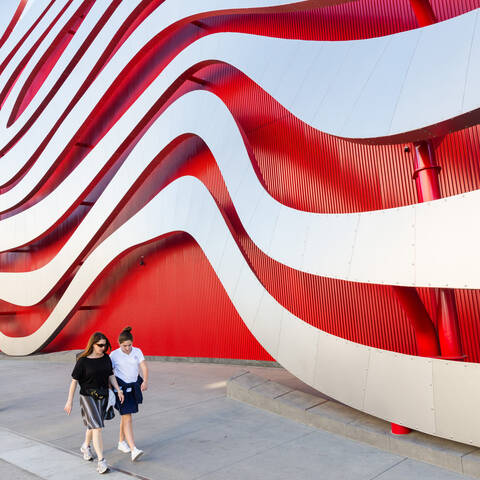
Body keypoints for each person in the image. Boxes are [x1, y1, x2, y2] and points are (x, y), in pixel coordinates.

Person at [64, 332, 124, 474]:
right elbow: (74, 382)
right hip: (87, 396)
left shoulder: (106, 358)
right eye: (100, 345)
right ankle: (101, 462)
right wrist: (69, 401)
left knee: (93, 425)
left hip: (102, 395)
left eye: (105, 345)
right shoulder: (83, 361)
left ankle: (85, 446)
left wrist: (118, 390)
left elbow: (111, 375)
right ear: (93, 344)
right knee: (97, 427)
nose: (103, 348)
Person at [110, 326, 148, 462]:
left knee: (125, 415)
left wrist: (145, 381)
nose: (127, 348)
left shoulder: (137, 351)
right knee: (128, 416)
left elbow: (143, 366)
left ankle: (121, 442)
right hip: (121, 389)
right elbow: (110, 373)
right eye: (124, 345)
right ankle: (133, 449)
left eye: (129, 345)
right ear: (119, 344)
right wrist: (115, 389)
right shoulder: (114, 355)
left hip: (134, 386)